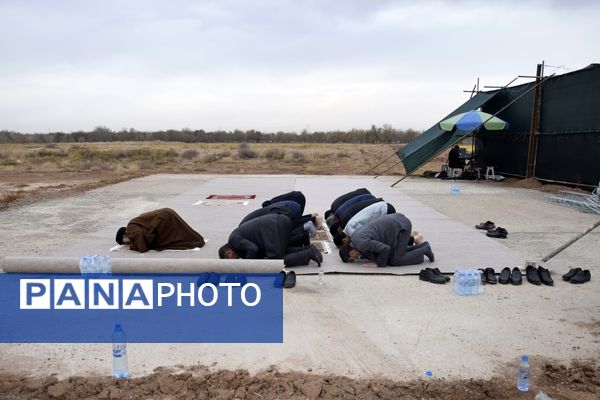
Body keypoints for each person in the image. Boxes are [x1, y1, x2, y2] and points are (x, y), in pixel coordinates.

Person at [219, 213, 322, 267]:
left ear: (229, 253)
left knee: (276, 260)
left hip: (274, 227)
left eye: (231, 261)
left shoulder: (233, 240)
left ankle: (307, 253)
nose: (235, 262)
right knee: (278, 252)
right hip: (279, 222)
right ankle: (309, 249)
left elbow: (253, 249)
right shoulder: (235, 240)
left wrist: (248, 265)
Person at [338, 213, 434, 267]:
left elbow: (385, 249)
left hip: (401, 226)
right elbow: (375, 252)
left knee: (396, 260)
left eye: (352, 258)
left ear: (350, 252)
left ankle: (424, 250)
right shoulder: (355, 240)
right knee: (393, 256)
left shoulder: (362, 244)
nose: (355, 259)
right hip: (396, 221)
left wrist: (378, 264)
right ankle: (421, 247)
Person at [115, 208, 205, 253]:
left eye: (125, 242)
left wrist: (132, 247)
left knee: (178, 235)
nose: (127, 243)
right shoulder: (134, 223)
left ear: (124, 236)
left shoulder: (130, 228)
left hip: (163, 219)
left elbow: (142, 245)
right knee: (181, 232)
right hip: (166, 213)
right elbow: (146, 234)